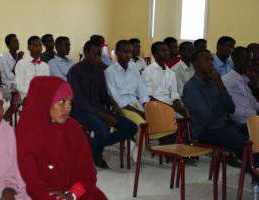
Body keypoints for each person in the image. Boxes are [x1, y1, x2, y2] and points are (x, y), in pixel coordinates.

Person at [183, 50, 259, 200]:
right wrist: (221, 107)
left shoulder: (215, 83)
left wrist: (220, 87)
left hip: (224, 125)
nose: (211, 63)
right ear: (196, 64)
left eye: (211, 60)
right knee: (246, 145)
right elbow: (207, 117)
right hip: (205, 131)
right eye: (206, 60)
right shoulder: (191, 87)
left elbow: (231, 108)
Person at [67, 40, 138, 169]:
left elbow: (103, 94)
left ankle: (94, 144)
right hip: (79, 110)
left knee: (131, 127)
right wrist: (104, 116)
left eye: (99, 54)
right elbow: (79, 100)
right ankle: (97, 156)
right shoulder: (75, 71)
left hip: (98, 109)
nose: (98, 57)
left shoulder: (100, 69)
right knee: (102, 128)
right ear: (86, 52)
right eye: (95, 54)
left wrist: (115, 105)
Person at [105, 40, 149, 131]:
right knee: (142, 127)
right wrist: (139, 112)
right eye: (125, 52)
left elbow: (142, 91)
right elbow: (116, 99)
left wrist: (146, 107)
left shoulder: (134, 68)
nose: (129, 55)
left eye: (130, 52)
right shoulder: (110, 72)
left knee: (157, 122)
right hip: (122, 108)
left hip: (137, 105)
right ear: (117, 53)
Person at [142, 42, 188, 117]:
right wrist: (170, 107)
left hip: (170, 105)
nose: (166, 53)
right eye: (163, 51)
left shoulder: (171, 73)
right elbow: (149, 96)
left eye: (167, 50)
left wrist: (179, 105)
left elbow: (174, 94)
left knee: (185, 113)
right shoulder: (148, 72)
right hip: (155, 106)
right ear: (154, 54)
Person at [222, 47, 259, 125]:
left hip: (253, 119)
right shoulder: (228, 80)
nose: (249, 64)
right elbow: (233, 111)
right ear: (236, 61)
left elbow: (251, 100)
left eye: (250, 60)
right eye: (247, 60)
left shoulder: (243, 78)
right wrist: (256, 113)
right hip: (242, 123)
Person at [0, 33, 24, 100]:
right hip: (9, 87)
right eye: (14, 42)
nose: (17, 43)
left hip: (20, 85)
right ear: (8, 45)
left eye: (17, 41)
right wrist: (18, 60)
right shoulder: (3, 58)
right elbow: (10, 76)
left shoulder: (21, 57)